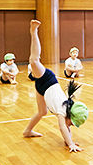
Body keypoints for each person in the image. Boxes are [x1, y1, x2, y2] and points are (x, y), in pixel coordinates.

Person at [23, 20, 88, 153]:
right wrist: (71, 145)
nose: (71, 125)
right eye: (73, 123)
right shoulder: (62, 111)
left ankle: (27, 131)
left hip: (43, 90)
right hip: (47, 79)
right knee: (34, 61)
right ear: (70, 115)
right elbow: (62, 128)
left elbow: (66, 128)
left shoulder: (66, 114)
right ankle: (33, 31)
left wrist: (68, 140)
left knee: (42, 112)